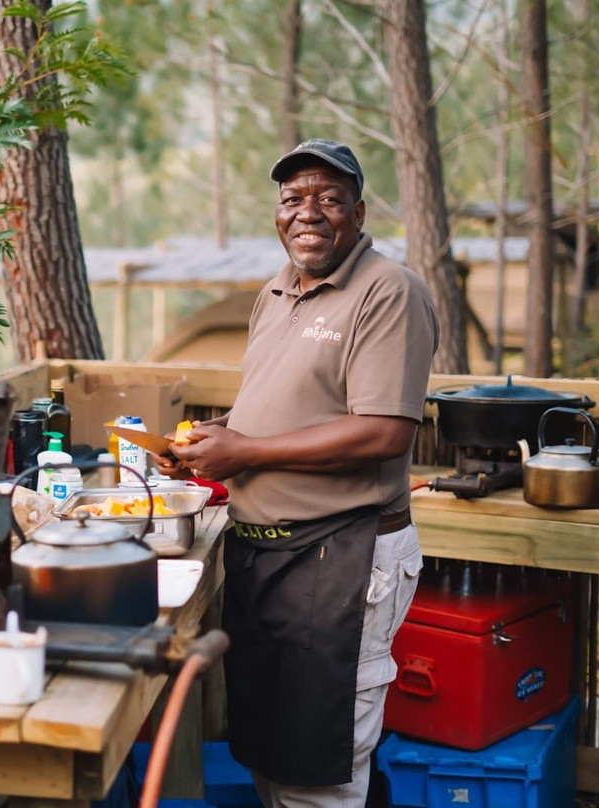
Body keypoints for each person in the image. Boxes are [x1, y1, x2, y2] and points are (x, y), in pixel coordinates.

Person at [156, 138, 439, 807]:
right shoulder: (275, 293)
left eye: (328, 198)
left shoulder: (387, 291)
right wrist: (217, 437)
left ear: (360, 212)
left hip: (342, 556)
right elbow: (276, 405)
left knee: (318, 774)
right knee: (272, 755)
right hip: (263, 559)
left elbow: (384, 431)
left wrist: (245, 454)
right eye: (292, 199)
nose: (307, 212)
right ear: (278, 215)